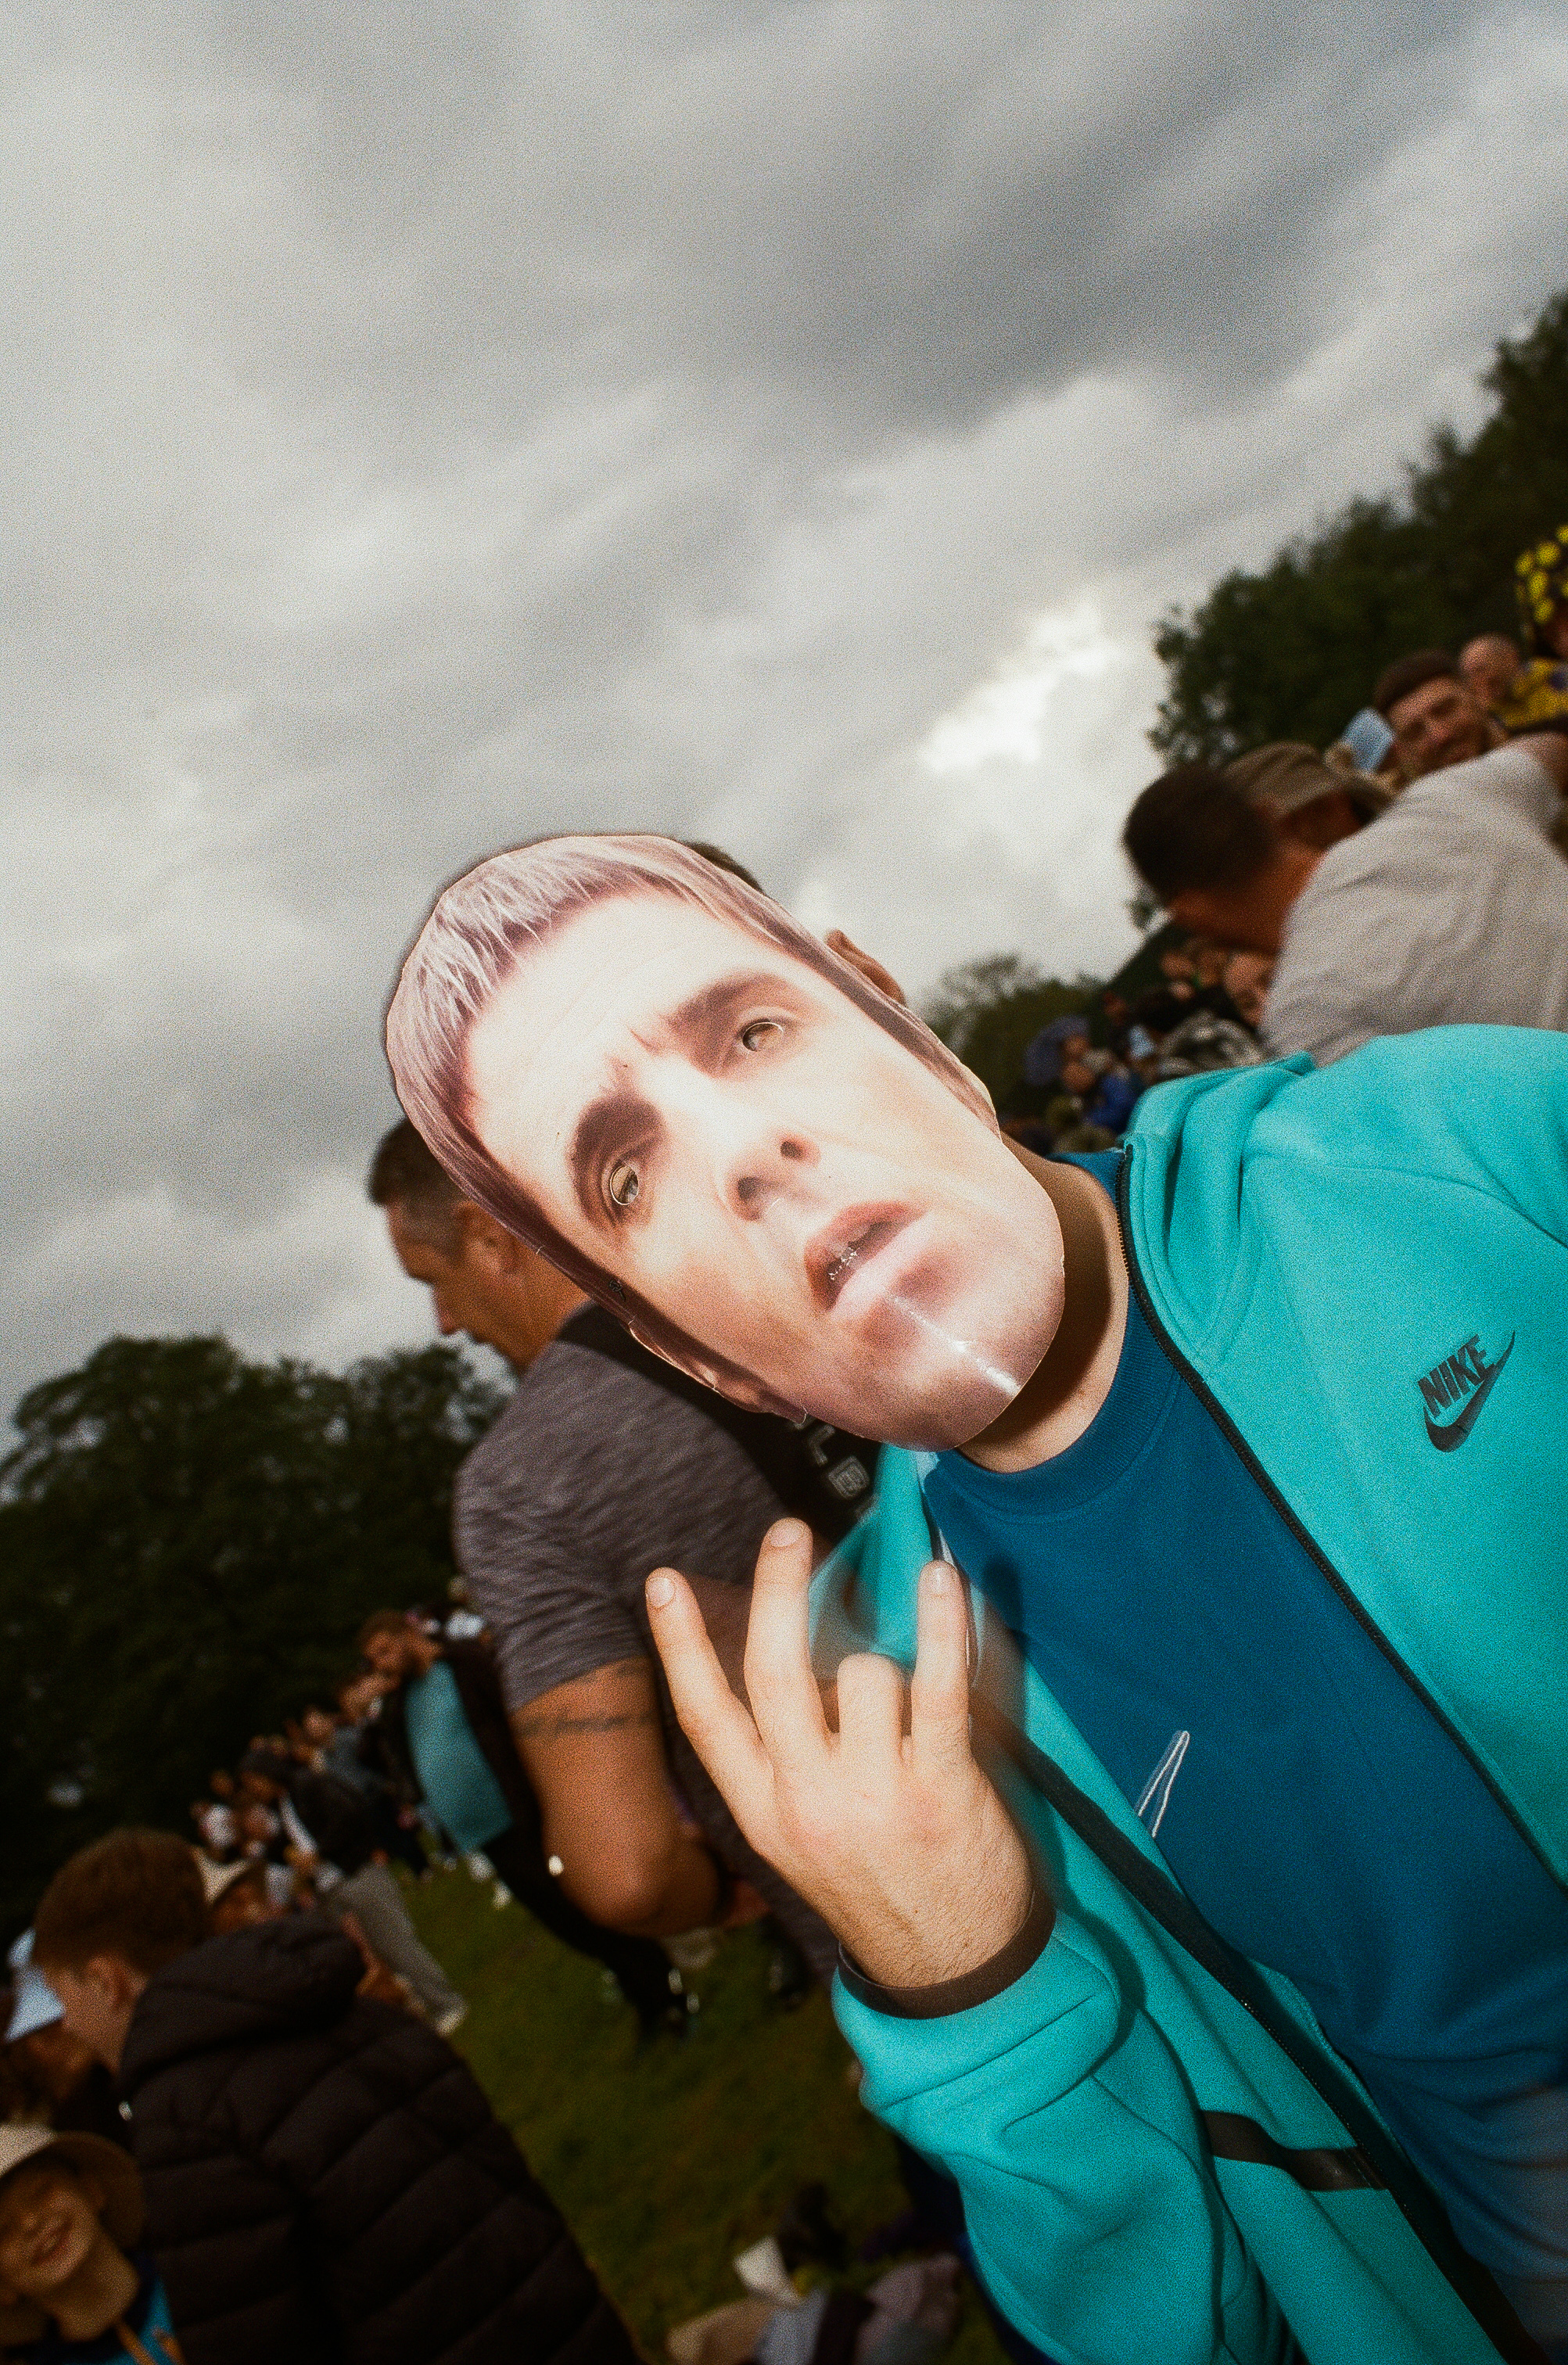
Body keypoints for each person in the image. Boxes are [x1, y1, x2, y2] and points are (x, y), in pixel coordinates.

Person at [385, 829, 1568, 2365]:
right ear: (687, 1352)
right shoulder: (903, 1711)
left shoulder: (1452, 1158)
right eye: (627, 1173)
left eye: (749, 1033)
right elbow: (1175, 2334)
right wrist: (970, 1995)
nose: (742, 1155)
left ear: (907, 1027)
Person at [367, 1114, 873, 1988]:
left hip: (941, 1947)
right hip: (1132, 1761)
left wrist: (716, 1895)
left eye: (434, 1281)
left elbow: (625, 1871)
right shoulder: (786, 1262)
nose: (445, 1323)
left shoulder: (520, 1486)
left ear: (488, 1238)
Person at [30, 1828, 640, 2365]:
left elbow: (254, 2342)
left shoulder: (185, 2121)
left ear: (108, 1981)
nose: (71, 2027)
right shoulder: (345, 2008)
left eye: (66, 2001)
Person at [1121, 734, 1568, 1066]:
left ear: (1189, 913)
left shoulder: (1306, 1019)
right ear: (1268, 815)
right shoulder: (1446, 800)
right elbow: (1551, 749)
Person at [357, 1611, 687, 2035]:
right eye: (374, 1660)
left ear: (408, 1634)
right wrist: (378, 1702)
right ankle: (644, 1996)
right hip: (484, 1837)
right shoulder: (400, 1702)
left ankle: (664, 1989)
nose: (382, 1664)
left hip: (523, 1816)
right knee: (564, 1923)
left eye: (385, 1650)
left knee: (586, 1907)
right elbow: (374, 1758)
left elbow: (521, 1719)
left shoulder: (463, 1665)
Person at [234, 1745, 468, 2033]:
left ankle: (449, 2003)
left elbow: (349, 1813)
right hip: (335, 1884)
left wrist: (319, 1853)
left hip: (356, 1873)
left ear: (266, 1771)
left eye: (253, 1781)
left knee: (396, 1942)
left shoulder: (306, 1784)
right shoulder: (286, 1803)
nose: (254, 1789)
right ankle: (427, 2007)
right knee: (383, 1950)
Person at [0, 2123, 178, 2363]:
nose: (30, 2223)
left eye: (40, 2191)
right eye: (3, 2229)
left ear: (91, 2189)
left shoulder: (202, 2274)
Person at [1372, 649, 1504, 780]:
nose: (1441, 737)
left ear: (1477, 697)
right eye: (1415, 733)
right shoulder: (1417, 800)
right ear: (1404, 751)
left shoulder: (1524, 757)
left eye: (1445, 711)